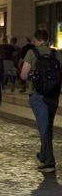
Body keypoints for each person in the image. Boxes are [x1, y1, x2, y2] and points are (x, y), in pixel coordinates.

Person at [20, 29, 62, 174]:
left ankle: (49, 162)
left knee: (44, 129)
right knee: (48, 126)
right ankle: (43, 155)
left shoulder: (32, 53)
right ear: (48, 39)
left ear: (36, 40)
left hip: (38, 96)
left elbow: (24, 75)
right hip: (54, 95)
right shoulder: (56, 53)